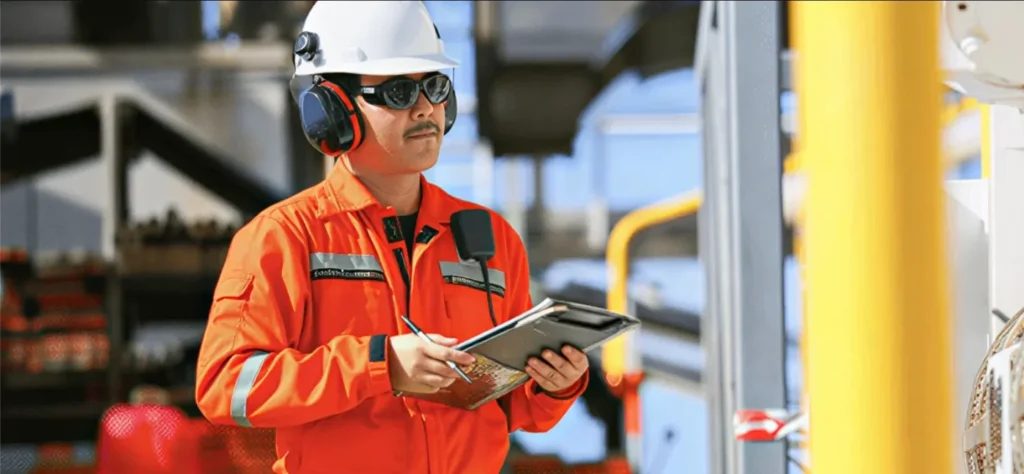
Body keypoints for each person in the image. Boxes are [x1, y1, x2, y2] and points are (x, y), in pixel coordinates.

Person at [194, 2, 589, 473]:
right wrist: (379, 365)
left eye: (436, 87)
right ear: (333, 111)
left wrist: (554, 384)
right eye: (399, 91)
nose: (426, 108)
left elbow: (511, 407)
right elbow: (225, 385)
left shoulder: (493, 240)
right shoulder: (285, 237)